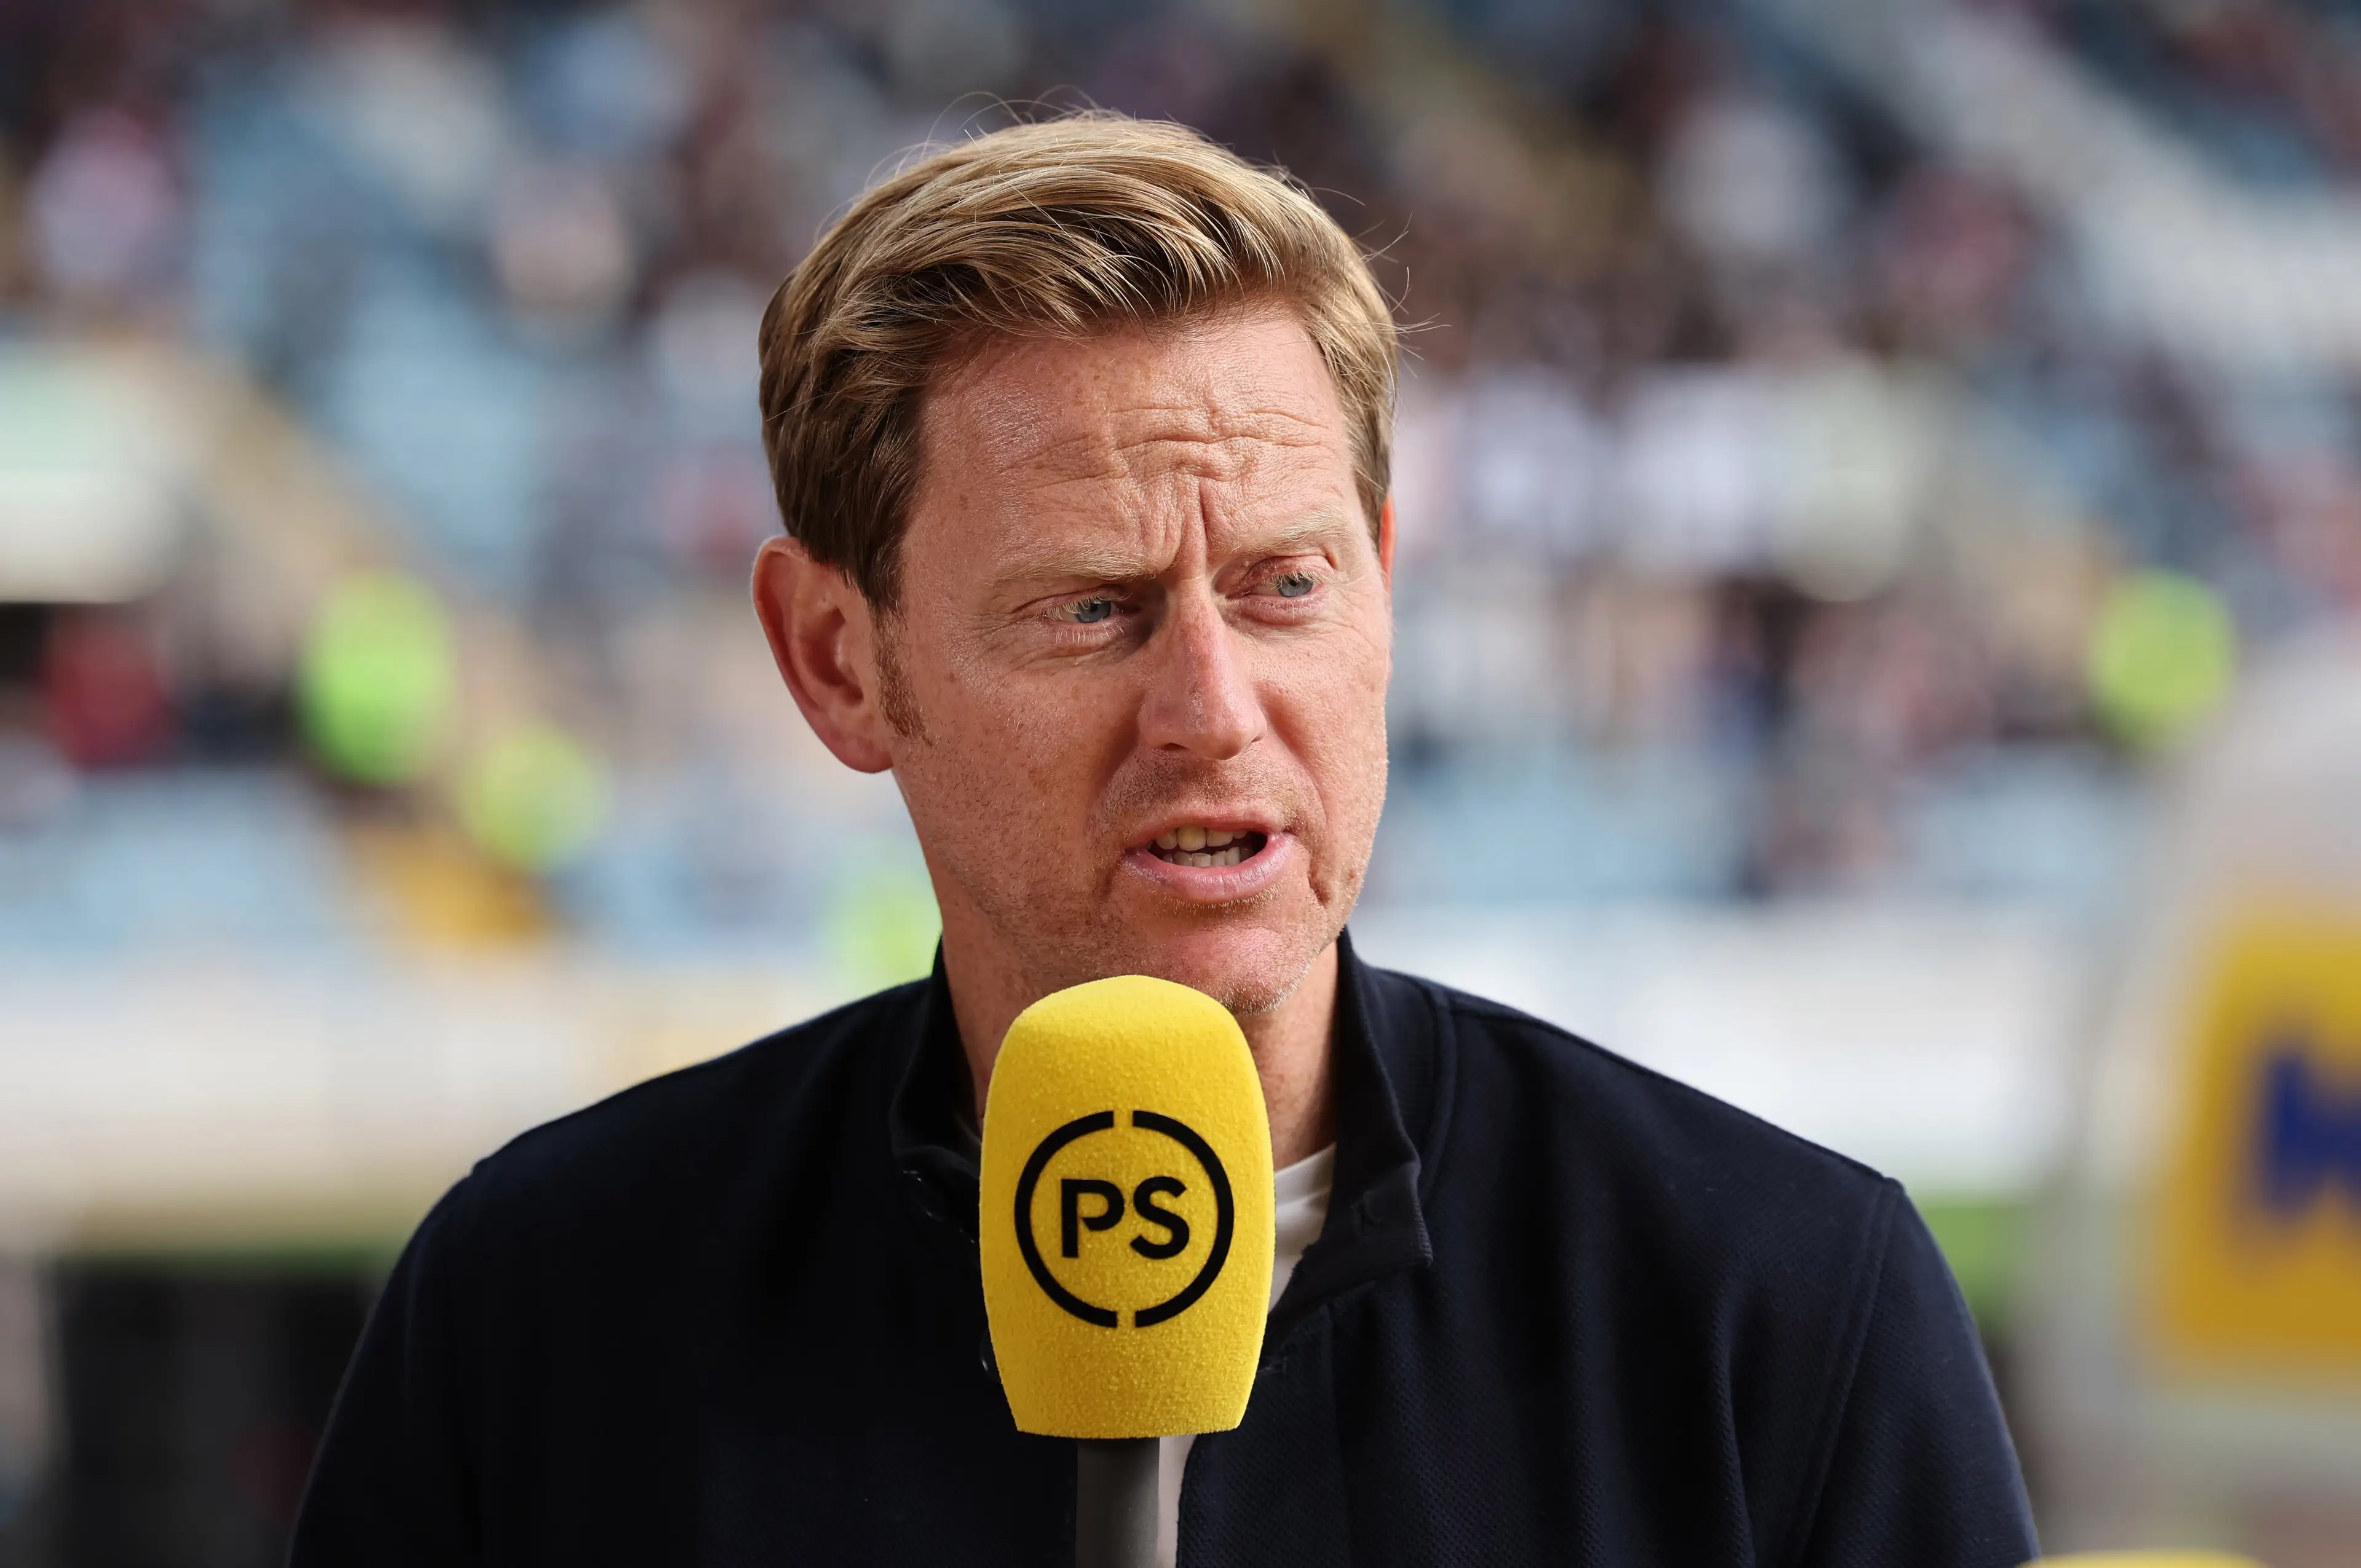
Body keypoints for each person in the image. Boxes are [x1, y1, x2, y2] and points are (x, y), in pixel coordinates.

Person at [291, 114, 2037, 1567]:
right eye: (1092, 606)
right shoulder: (537, 1321)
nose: (1213, 704)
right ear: (840, 661)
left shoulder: (1786, 1308)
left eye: (1284, 585)